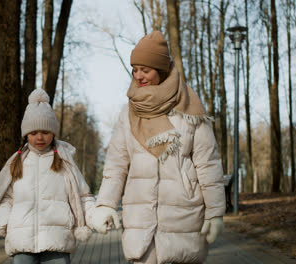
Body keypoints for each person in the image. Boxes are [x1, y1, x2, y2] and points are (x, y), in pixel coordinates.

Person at [90, 31, 226, 264]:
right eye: (135, 69)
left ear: (161, 70)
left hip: (183, 216)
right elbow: (117, 162)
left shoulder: (188, 108)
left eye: (145, 69)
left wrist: (215, 212)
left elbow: (208, 163)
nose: (138, 75)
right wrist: (105, 203)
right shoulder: (128, 112)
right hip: (140, 218)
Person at [0, 89, 95, 264]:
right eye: (33, 133)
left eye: (45, 132)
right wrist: (6, 222)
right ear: (26, 135)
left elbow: (83, 196)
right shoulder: (16, 163)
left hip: (57, 241)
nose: (40, 137)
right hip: (22, 241)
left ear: (53, 133)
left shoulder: (65, 163)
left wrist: (96, 216)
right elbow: (3, 198)